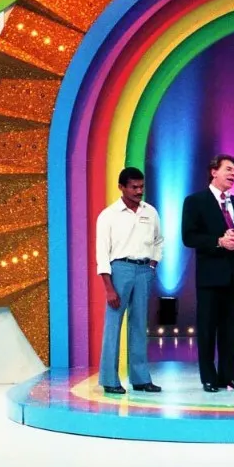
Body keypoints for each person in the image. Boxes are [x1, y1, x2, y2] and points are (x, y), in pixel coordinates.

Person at [182, 154, 234, 392]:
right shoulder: (195, 201)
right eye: (228, 169)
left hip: (233, 277)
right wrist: (218, 241)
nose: (233, 173)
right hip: (209, 277)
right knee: (207, 329)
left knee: (231, 330)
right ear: (213, 171)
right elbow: (189, 237)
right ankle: (208, 378)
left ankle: (229, 376)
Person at [96, 167, 163, 394]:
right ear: (121, 187)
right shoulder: (108, 215)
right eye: (134, 187)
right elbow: (102, 253)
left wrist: (153, 264)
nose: (138, 191)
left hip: (144, 270)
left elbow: (159, 240)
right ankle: (109, 380)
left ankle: (140, 378)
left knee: (139, 325)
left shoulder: (150, 212)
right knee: (113, 325)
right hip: (119, 270)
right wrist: (108, 288)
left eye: (141, 186)